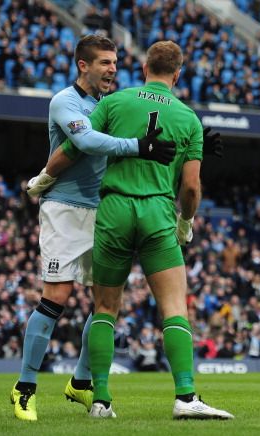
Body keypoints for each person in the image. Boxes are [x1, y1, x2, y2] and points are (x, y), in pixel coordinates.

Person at [58, 40, 232, 419]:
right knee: (173, 308)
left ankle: (101, 402)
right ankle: (186, 397)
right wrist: (184, 222)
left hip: (114, 208)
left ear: (144, 69)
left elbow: (76, 148)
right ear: (178, 73)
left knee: (105, 307)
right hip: (157, 210)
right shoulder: (188, 118)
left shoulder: (115, 102)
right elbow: (190, 187)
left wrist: (44, 177)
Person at [11, 34, 176, 422]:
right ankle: (24, 387)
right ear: (83, 65)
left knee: (106, 302)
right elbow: (85, 140)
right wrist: (136, 146)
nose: (112, 69)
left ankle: (81, 383)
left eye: (115, 62)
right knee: (57, 297)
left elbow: (154, 130)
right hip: (65, 209)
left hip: (103, 209)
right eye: (104, 62)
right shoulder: (64, 102)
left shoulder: (110, 105)